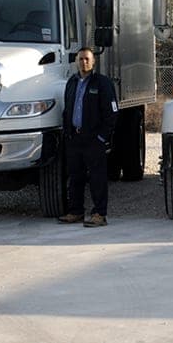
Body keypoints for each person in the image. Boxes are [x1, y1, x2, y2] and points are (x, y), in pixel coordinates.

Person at [58, 48, 119, 227]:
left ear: (93, 62)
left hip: (94, 140)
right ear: (76, 61)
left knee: (97, 178)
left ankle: (99, 214)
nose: (84, 62)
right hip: (74, 139)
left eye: (87, 59)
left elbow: (112, 113)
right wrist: (67, 133)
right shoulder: (71, 82)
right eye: (81, 59)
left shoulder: (102, 83)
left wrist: (102, 137)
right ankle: (75, 211)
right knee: (75, 177)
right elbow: (67, 109)